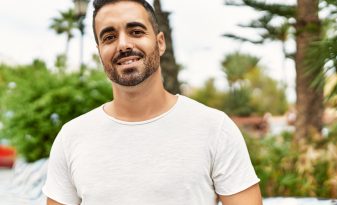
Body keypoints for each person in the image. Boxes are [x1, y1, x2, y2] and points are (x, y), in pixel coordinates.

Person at [42, 0, 263, 204]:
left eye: (136, 32)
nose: (123, 45)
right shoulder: (71, 137)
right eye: (109, 37)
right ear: (100, 52)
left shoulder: (215, 128)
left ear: (160, 42)